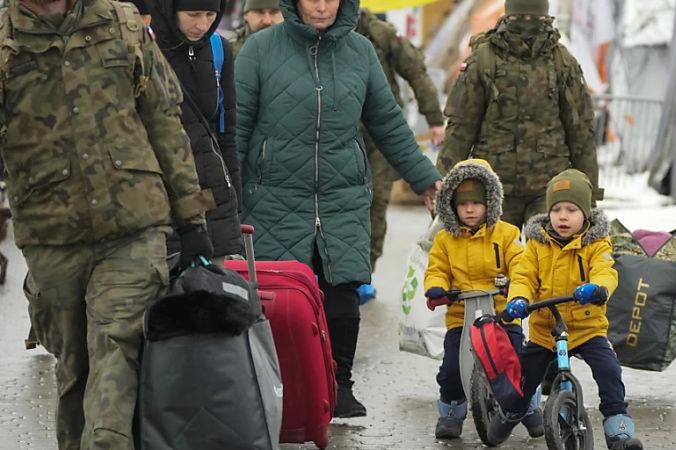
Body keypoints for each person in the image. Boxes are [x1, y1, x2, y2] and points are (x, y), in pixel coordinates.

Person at [0, 0, 214, 446]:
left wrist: (192, 219)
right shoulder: (5, 43)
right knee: (76, 370)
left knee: (115, 354)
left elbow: (163, 120)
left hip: (133, 228)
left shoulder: (122, 23)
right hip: (50, 235)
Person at [235, 0, 442, 418]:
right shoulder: (260, 49)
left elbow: (387, 120)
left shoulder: (360, 51)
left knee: (342, 293)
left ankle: (339, 384)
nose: (322, 6)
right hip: (274, 194)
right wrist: (228, 196)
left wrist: (425, 179)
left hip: (341, 193)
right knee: (279, 298)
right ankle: (279, 387)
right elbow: (237, 125)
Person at [498, 169, 643, 450]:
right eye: (556, 210)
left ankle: (618, 428)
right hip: (546, 331)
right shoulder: (537, 244)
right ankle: (511, 412)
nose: (563, 217)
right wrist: (518, 298)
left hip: (587, 328)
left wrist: (597, 288)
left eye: (571, 210)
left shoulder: (596, 243)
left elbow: (605, 270)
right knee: (524, 380)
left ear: (585, 214)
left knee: (609, 371)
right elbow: (524, 276)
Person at [437, 0, 599, 230]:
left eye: (533, 18)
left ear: (545, 17)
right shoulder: (484, 60)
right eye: (519, 18)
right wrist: (444, 187)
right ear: (508, 16)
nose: (526, 24)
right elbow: (460, 129)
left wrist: (589, 194)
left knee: (548, 252)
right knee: (493, 252)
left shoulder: (562, 62)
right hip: (494, 187)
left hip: (550, 188)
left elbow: (580, 131)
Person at [423, 159, 542, 439]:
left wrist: (515, 287)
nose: (470, 209)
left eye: (476, 203)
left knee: (516, 361)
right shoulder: (444, 240)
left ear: (490, 202)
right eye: (463, 204)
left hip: (502, 313)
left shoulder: (507, 234)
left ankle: (529, 406)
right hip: (461, 316)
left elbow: (520, 264)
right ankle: (451, 411)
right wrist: (437, 287)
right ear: (451, 206)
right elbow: (437, 269)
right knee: (451, 369)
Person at [148, 0, 243, 264]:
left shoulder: (219, 49)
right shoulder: (144, 48)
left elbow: (226, 132)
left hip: (213, 195)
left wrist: (236, 201)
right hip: (158, 194)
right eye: (193, 14)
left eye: (210, 15)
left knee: (210, 285)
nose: (202, 24)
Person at [356, 8, 444, 271]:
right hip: (340, 129)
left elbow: (416, 71)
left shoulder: (380, 34)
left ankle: (366, 271)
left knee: (376, 200)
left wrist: (434, 118)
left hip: (379, 133)